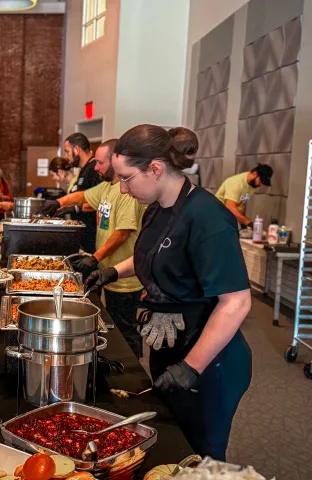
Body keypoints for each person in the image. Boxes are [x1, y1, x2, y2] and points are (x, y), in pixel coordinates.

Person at [86, 124, 252, 460]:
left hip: (210, 360)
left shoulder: (208, 217)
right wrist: (110, 271)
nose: (122, 187)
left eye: (126, 177)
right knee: (172, 445)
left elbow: (236, 302)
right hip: (171, 347)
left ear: (156, 169)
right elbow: (152, 255)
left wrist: (191, 366)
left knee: (200, 452)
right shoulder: (157, 208)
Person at [55, 140, 146, 356]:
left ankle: (133, 377)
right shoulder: (107, 186)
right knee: (114, 325)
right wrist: (58, 204)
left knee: (126, 331)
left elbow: (123, 232)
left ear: (115, 162)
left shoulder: (125, 192)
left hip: (125, 278)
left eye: (100, 163)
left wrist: (94, 258)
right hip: (109, 272)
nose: (96, 168)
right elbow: (84, 197)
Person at [42, 133, 102, 253]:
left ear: (76, 149)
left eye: (67, 152)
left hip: (92, 234)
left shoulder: (93, 169)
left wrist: (74, 208)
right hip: (83, 234)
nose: (66, 156)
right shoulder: (83, 170)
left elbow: (99, 201)